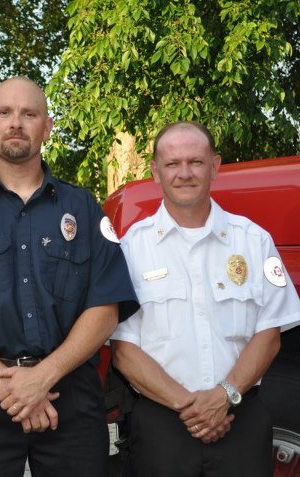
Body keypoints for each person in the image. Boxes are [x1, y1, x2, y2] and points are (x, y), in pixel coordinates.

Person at [0, 76, 139, 477]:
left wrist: (42, 377)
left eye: (29, 114)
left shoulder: (84, 208)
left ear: (47, 126)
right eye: (4, 112)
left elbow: (105, 307)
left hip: (70, 394)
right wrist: (12, 386)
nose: (16, 123)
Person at [110, 121, 300, 476]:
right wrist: (194, 407)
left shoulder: (253, 241)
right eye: (172, 164)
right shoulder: (131, 248)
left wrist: (223, 397)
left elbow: (269, 335)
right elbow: (124, 350)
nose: (184, 173)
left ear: (214, 166)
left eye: (195, 162)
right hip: (161, 427)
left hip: (239, 420)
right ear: (155, 172)